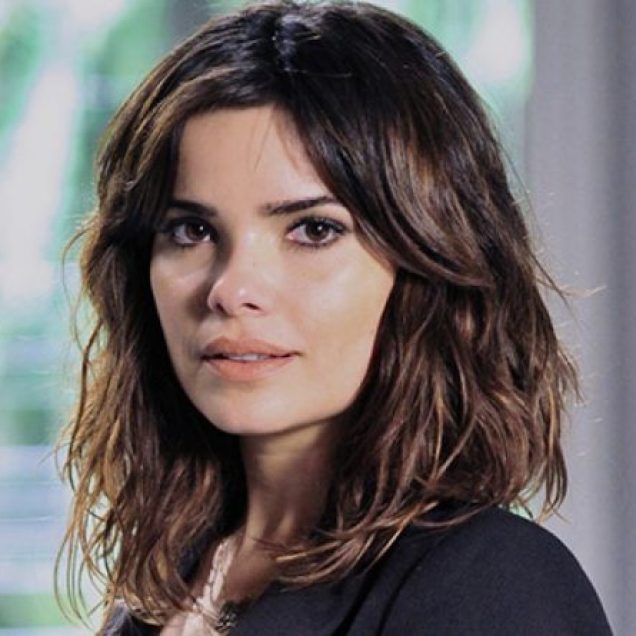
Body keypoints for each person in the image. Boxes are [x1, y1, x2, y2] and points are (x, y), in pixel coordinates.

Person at [57, 1, 612, 634]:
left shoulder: (494, 584)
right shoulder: (168, 585)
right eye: (192, 230)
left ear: (427, 264)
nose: (232, 289)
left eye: (313, 230)